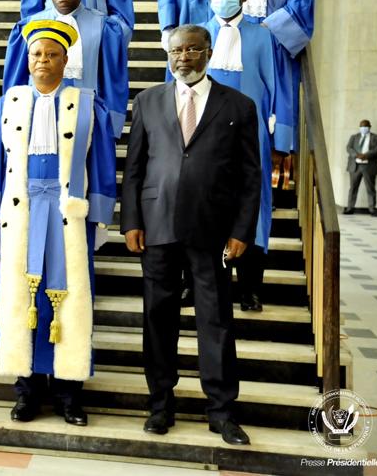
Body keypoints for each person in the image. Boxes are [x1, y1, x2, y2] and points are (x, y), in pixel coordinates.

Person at [121, 25, 261, 446]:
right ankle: (160, 404)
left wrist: (241, 231)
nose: (183, 57)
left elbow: (251, 176)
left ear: (209, 52)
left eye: (192, 50)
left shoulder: (238, 105)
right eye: (176, 50)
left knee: (215, 321)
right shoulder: (148, 101)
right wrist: (131, 221)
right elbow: (134, 169)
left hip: (212, 231)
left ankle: (221, 411)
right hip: (157, 227)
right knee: (157, 318)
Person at [0, 20, 117, 427]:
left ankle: (69, 393)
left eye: (52, 54)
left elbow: (103, 163)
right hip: (21, 213)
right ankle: (26, 391)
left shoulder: (87, 104)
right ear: (28, 59)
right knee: (23, 299)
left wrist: (101, 217)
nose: (43, 61)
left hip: (67, 216)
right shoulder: (9, 104)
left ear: (65, 59)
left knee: (68, 297)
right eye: (37, 54)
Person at [200, 0, 292, 312]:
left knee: (254, 210)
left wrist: (281, 139)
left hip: (252, 138)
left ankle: (250, 288)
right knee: (203, 208)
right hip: (204, 139)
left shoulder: (264, 35)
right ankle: (199, 282)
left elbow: (280, 88)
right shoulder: (196, 35)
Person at [2, 0, 129, 137]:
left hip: (87, 112)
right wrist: (13, 115)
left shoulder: (104, 26)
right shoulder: (29, 26)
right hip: (38, 111)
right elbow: (16, 77)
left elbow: (113, 79)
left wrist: (111, 125)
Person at [244, 0, 317, 158]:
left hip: (275, 41)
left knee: (277, 92)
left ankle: (279, 142)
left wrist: (266, 27)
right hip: (245, 40)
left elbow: (300, 7)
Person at [345, 120, 377, 216]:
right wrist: (356, 155)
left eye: (366, 126)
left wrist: (365, 155)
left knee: (370, 188)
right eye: (362, 126)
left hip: (369, 166)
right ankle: (350, 208)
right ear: (359, 127)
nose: (364, 128)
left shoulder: (376, 138)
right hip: (355, 166)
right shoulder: (354, 137)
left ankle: (372, 209)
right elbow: (349, 148)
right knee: (353, 188)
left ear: (370, 127)